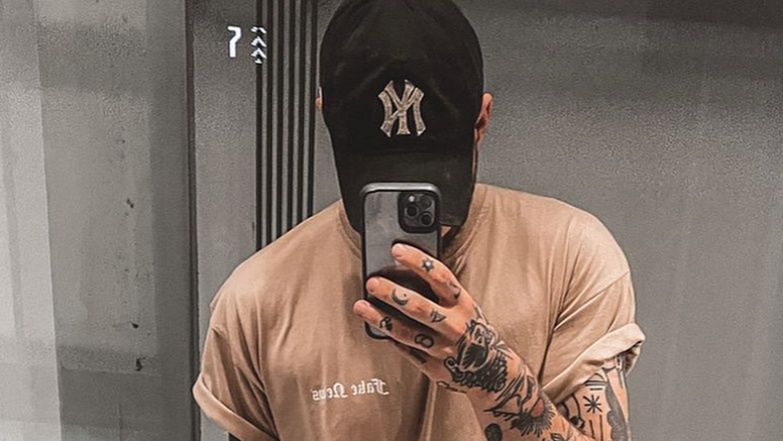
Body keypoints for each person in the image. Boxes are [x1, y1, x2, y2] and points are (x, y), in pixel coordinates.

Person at [193, 0, 646, 440]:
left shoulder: (570, 257)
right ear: (325, 117)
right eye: (382, 174)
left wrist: (496, 382)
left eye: (431, 178)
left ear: (481, 120)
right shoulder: (254, 302)